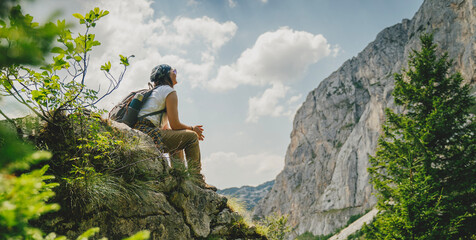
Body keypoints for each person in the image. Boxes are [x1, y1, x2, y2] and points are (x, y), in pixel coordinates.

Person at [133, 64, 216, 191]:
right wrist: (193, 129)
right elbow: (175, 124)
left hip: (141, 131)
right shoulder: (168, 91)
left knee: (178, 139)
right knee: (191, 137)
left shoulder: (155, 92)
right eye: (174, 71)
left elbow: (169, 129)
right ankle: (197, 180)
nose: (176, 73)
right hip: (148, 131)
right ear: (167, 75)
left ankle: (179, 177)